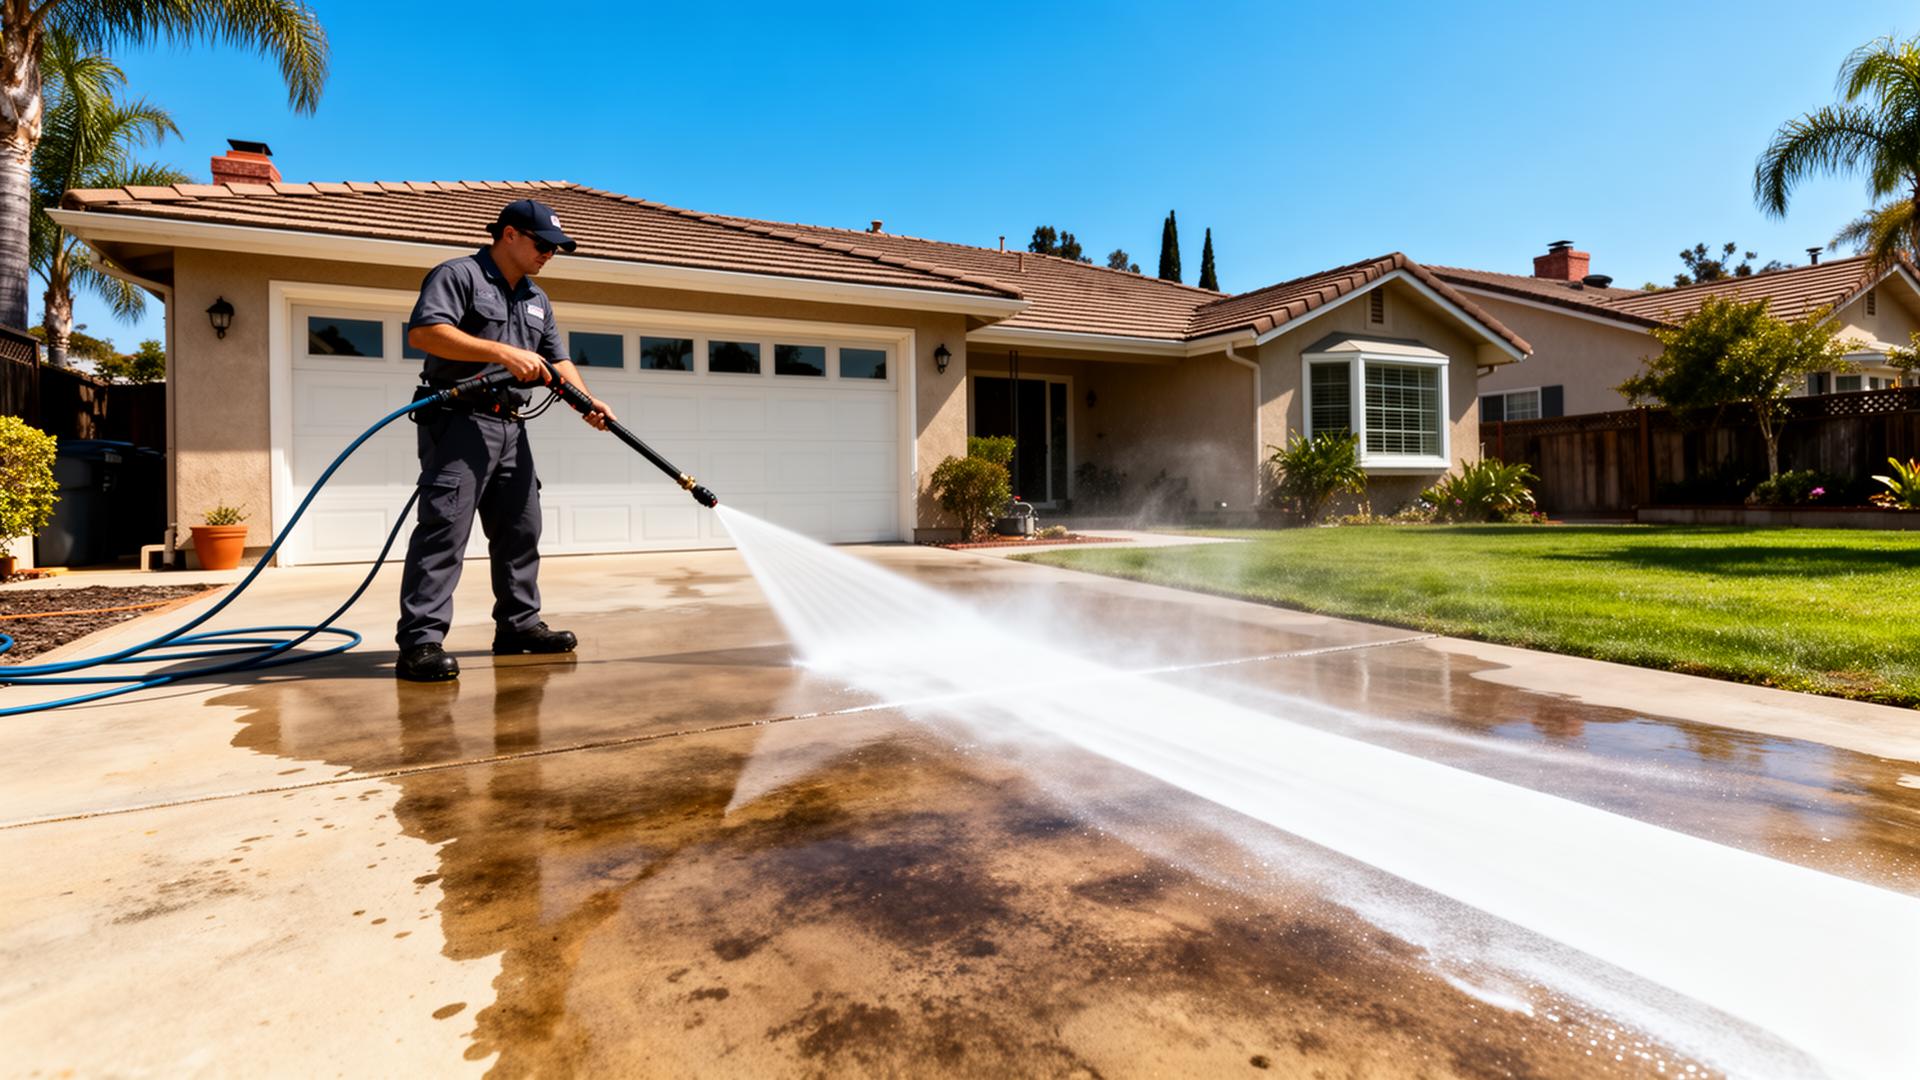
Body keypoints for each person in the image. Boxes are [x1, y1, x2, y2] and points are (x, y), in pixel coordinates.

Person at [394, 199, 615, 682]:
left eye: (555, 249)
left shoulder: (537, 299)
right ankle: (420, 644)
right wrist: (501, 352)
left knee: (521, 528)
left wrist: (588, 402)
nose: (548, 255)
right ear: (509, 235)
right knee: (444, 531)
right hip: (458, 423)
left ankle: (518, 627)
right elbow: (426, 333)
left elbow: (558, 361)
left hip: (512, 426)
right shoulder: (459, 276)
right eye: (543, 245)